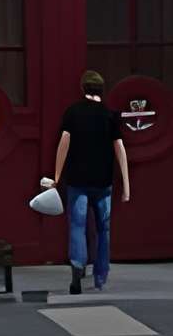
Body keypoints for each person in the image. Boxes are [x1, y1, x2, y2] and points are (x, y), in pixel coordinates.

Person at [52, 69, 130, 294]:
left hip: (77, 180)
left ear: (83, 89)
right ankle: (100, 275)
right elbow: (120, 149)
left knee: (77, 225)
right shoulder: (109, 115)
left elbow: (63, 144)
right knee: (103, 229)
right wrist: (126, 184)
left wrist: (57, 177)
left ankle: (77, 268)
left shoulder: (72, 113)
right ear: (101, 89)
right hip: (103, 182)